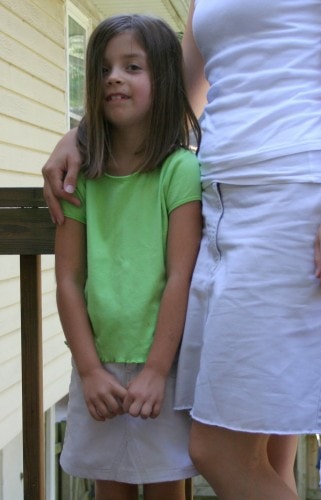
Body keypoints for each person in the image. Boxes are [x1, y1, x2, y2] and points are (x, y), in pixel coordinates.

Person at [43, 1, 321, 499]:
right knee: (265, 455)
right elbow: (174, 89)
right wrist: (83, 134)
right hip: (216, 199)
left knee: (216, 450)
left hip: (289, 190)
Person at [54, 14, 202, 500]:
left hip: (163, 365)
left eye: (132, 66)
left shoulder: (179, 170)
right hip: (95, 365)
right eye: (103, 69)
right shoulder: (83, 174)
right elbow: (69, 280)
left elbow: (181, 275)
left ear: (162, 80)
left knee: (166, 489)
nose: (113, 77)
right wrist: (89, 369)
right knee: (108, 489)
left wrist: (158, 370)